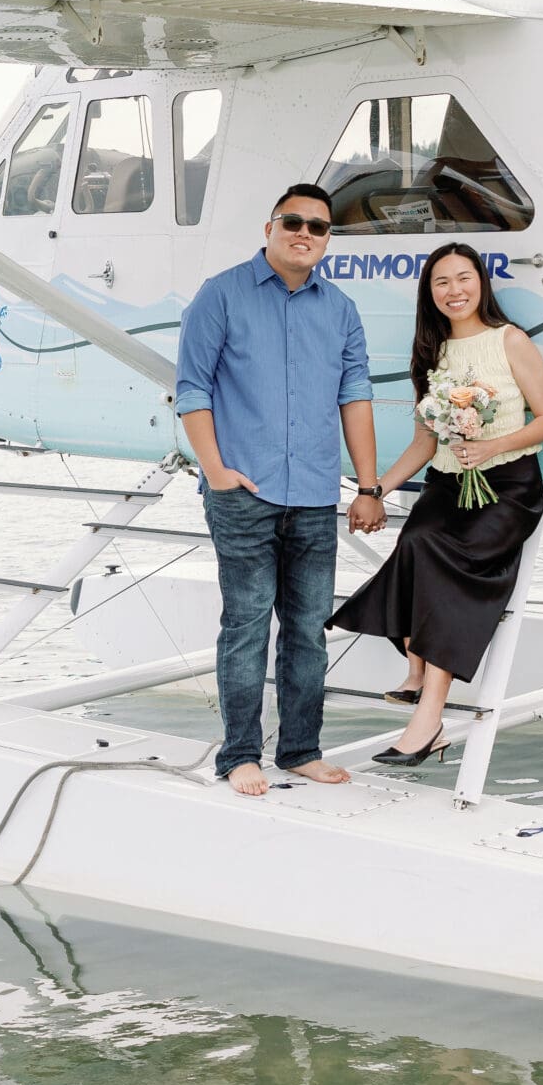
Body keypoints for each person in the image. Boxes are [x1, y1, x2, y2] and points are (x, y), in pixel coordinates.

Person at [175, 184, 388, 796]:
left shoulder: (340, 309)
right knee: (246, 626)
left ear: (327, 240)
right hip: (244, 492)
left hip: (315, 496)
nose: (304, 233)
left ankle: (299, 750)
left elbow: (355, 396)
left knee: (307, 632)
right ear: (269, 228)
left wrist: (368, 486)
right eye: (293, 222)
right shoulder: (221, 294)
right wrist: (216, 471)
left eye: (318, 227)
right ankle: (240, 755)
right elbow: (192, 388)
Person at [327, 242, 543, 764]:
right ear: (429, 293)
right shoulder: (431, 353)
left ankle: (428, 718)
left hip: (507, 486)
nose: (454, 291)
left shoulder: (510, 340)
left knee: (440, 556)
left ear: (480, 282)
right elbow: (424, 442)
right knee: (416, 540)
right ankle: (416, 667)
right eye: (442, 282)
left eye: (463, 278)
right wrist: (373, 491)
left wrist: (492, 446)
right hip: (447, 484)